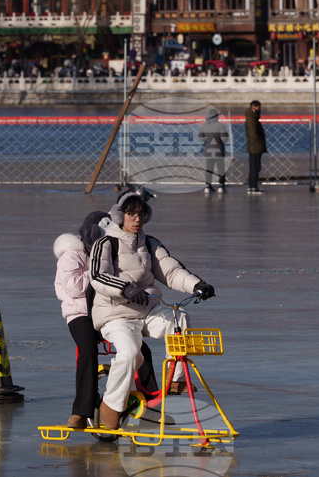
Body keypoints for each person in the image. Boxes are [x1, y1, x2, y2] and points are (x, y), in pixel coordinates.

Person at [89, 192, 215, 430]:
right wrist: (125, 289)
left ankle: (176, 379)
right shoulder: (105, 243)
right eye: (131, 214)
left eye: (141, 214)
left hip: (147, 310)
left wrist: (197, 285)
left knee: (179, 319)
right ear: (119, 215)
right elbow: (97, 276)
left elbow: (170, 272)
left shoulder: (149, 243)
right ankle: (110, 405)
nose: (137, 219)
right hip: (116, 314)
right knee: (129, 354)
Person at [54, 210, 158, 430]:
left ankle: (151, 399)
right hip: (80, 314)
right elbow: (73, 287)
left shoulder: (109, 254)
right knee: (87, 351)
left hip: (105, 313)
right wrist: (97, 272)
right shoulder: (71, 255)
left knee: (139, 346)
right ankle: (81, 412)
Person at [198, 108, 228, 193]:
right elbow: (224, 139)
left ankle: (208, 186)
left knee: (209, 168)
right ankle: (221, 186)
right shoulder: (220, 126)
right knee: (221, 168)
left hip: (209, 150)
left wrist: (207, 141)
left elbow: (201, 138)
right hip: (219, 150)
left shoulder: (204, 125)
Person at [245, 100, 267, 194]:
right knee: (255, 167)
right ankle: (254, 187)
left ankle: (252, 186)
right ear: (253, 108)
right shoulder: (252, 119)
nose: (259, 110)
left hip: (254, 146)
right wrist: (260, 141)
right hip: (255, 147)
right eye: (258, 108)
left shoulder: (252, 118)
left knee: (253, 167)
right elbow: (253, 134)